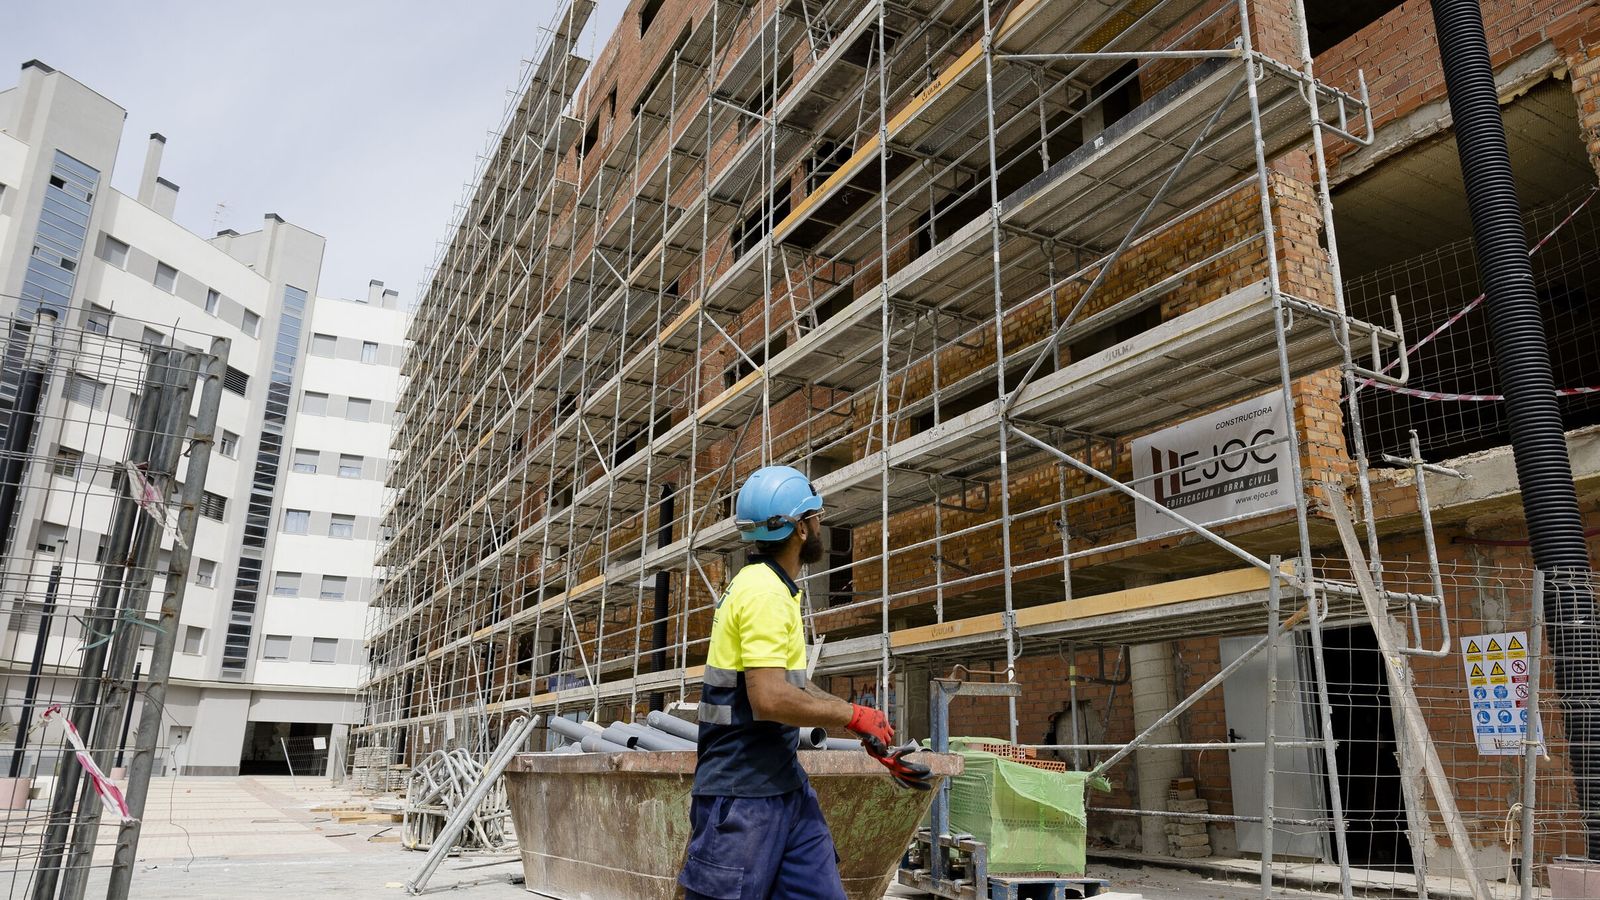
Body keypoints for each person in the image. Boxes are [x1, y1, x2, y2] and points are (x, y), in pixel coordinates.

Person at [678, 465, 932, 900]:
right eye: (815, 516)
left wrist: (861, 724)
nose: (820, 524)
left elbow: (792, 684)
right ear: (800, 528)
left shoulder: (772, 587)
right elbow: (770, 698)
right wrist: (850, 713)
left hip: (783, 785)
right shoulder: (763, 594)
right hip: (742, 793)